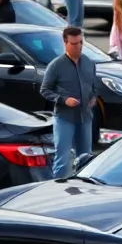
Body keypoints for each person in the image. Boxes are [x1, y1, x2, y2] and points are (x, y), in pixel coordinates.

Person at [40, 26, 96, 179]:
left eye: (80, 43)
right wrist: (64, 100)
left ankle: (83, 190)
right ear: (65, 43)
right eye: (74, 44)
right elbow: (45, 90)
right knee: (62, 160)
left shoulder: (89, 63)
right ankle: (57, 189)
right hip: (65, 118)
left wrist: (93, 98)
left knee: (86, 159)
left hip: (85, 117)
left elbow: (93, 87)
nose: (78, 47)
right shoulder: (56, 65)